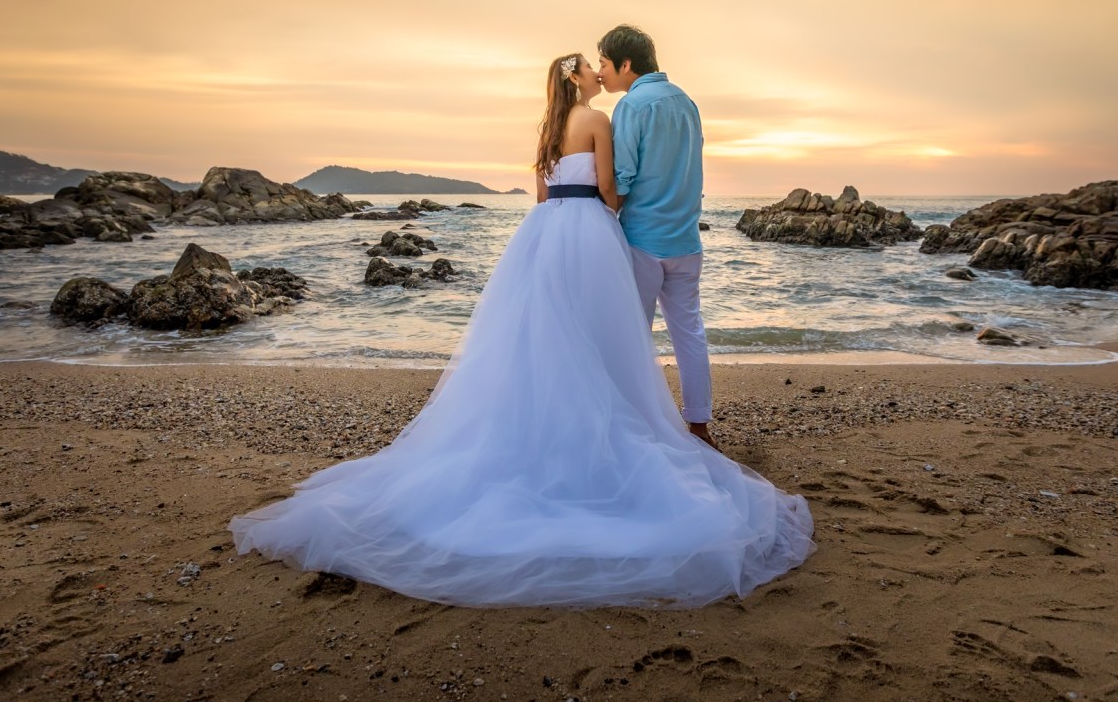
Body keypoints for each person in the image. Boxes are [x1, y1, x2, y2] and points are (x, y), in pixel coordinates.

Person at [229, 53, 813, 608]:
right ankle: (614, 425)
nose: (596, 71)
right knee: (596, 339)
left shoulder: (547, 128)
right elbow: (610, 191)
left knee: (544, 336)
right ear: (578, 79)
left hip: (545, 231)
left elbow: (540, 193)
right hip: (588, 229)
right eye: (590, 67)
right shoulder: (597, 119)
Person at [596, 25, 714, 446]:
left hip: (643, 240)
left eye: (605, 63)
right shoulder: (688, 103)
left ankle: (632, 426)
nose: (601, 72)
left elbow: (622, 178)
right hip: (686, 239)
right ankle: (699, 426)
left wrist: (599, 218)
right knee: (689, 332)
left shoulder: (631, 106)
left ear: (627, 64)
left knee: (633, 336)